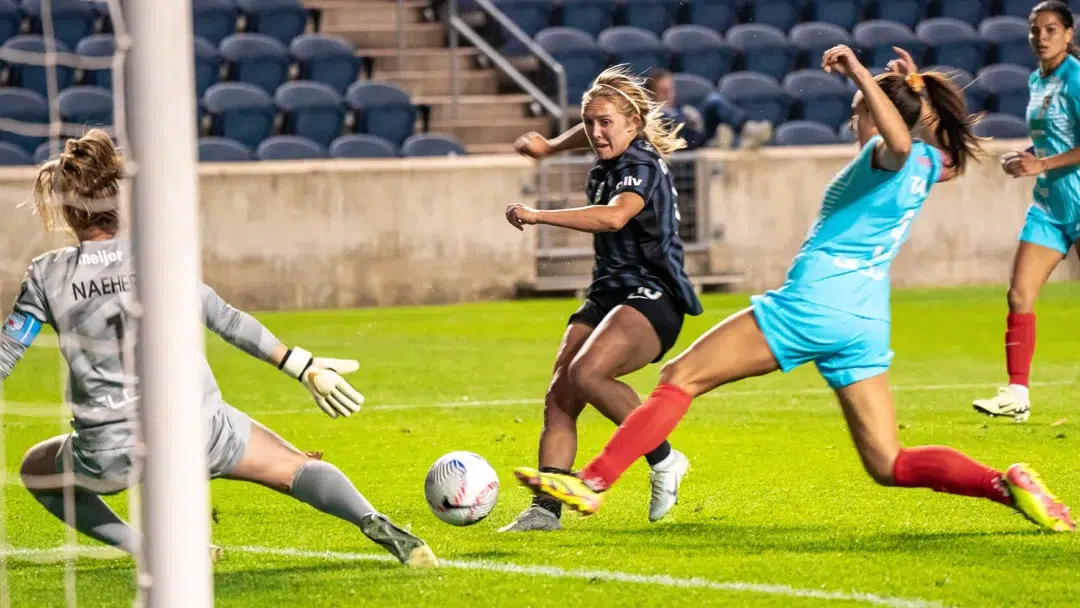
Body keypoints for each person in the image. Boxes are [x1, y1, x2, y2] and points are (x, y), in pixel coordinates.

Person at [513, 47, 1076, 533]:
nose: (853, 123)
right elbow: (933, 147)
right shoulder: (935, 163)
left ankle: (592, 481)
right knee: (888, 461)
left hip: (813, 302)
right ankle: (1004, 485)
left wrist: (861, 75)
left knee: (676, 378)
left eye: (858, 114)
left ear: (878, 120)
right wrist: (914, 93)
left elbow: (895, 142)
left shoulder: (885, 156)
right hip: (863, 321)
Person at [1, 130, 438, 566]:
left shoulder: (47, 274)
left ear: (68, 212)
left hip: (109, 448)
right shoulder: (157, 257)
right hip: (196, 428)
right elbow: (227, 320)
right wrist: (301, 366)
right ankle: (374, 521)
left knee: (37, 469)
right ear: (118, 203)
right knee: (293, 467)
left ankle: (146, 549)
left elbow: (8, 352)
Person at [496, 65, 704, 532]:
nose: (595, 131)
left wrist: (538, 215)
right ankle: (544, 512)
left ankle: (665, 459)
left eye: (605, 122)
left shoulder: (640, 165)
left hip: (654, 295)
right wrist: (551, 147)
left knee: (588, 372)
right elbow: (589, 130)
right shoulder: (609, 146)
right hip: (608, 291)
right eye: (589, 121)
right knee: (560, 394)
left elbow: (614, 218)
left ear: (634, 123)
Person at [972, 0, 1080, 423]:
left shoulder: (1075, 79)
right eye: (1035, 30)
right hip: (1050, 206)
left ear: (1069, 35)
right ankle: (1017, 394)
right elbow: (1054, 141)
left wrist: (1044, 163)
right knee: (1019, 294)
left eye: (1051, 29)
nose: (1041, 37)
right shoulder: (1037, 79)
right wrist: (1027, 157)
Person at [644, 67, 773, 150]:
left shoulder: (682, 109)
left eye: (670, 89)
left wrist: (691, 117)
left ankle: (747, 129)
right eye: (663, 91)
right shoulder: (652, 116)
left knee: (714, 100)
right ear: (651, 94)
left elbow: (696, 125)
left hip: (697, 138)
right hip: (681, 147)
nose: (669, 95)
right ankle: (715, 142)